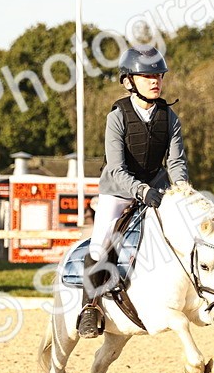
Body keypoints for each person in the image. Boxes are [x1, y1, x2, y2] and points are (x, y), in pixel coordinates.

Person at [78, 45, 189, 338]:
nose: (156, 82)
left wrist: (182, 193)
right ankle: (89, 308)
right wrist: (141, 190)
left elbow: (176, 162)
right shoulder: (117, 116)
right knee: (100, 244)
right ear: (129, 81)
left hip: (157, 187)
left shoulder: (169, 117)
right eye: (148, 76)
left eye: (159, 76)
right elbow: (115, 168)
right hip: (118, 191)